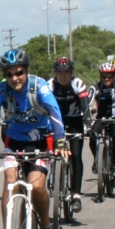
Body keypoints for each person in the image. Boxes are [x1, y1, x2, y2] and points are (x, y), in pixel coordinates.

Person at [0, 49, 68, 229]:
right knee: (10, 183)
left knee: (37, 186)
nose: (15, 78)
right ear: (5, 75)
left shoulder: (39, 87)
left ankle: (46, 227)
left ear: (26, 71)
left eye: (19, 72)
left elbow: (55, 113)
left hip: (40, 142)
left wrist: (60, 140)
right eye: (10, 74)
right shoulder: (0, 90)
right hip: (14, 143)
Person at [48, 57, 92, 211]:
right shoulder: (50, 85)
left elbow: (85, 108)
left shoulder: (77, 84)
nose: (63, 76)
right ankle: (53, 174)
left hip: (75, 123)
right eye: (60, 72)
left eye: (66, 72)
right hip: (57, 123)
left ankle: (77, 195)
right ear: (55, 73)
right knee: (51, 152)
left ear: (71, 73)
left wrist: (89, 125)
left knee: (76, 156)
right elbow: (44, 108)